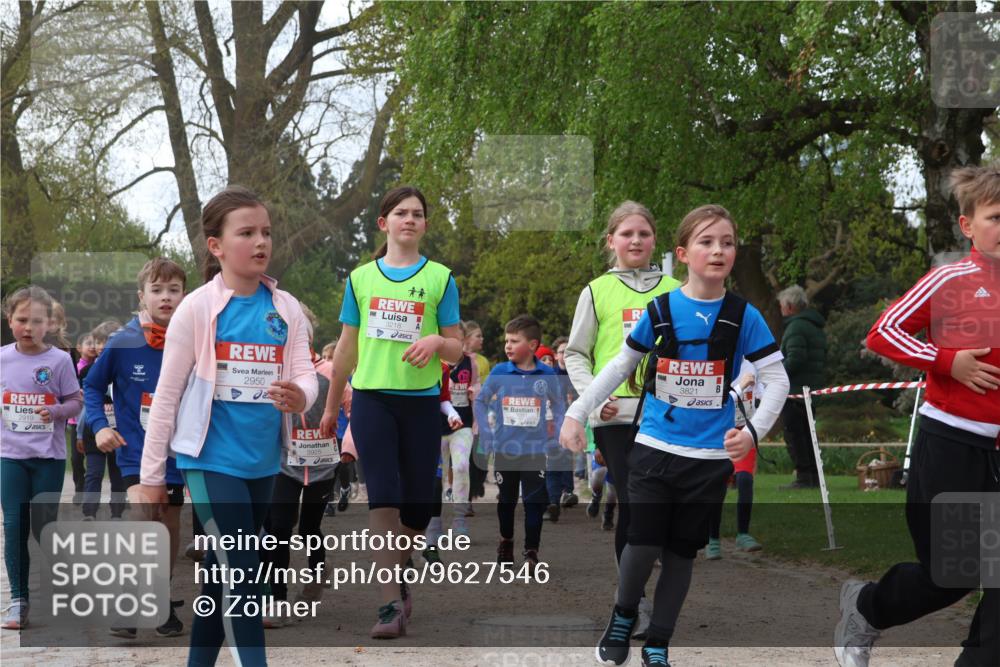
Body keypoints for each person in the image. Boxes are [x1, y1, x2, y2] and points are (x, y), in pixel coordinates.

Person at [560, 204, 789, 667]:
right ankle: (624, 613)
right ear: (683, 253)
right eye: (706, 242)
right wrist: (577, 413)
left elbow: (777, 378)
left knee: (682, 554)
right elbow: (620, 366)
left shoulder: (744, 316)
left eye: (727, 243)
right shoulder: (662, 308)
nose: (718, 251)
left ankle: (659, 642)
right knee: (643, 542)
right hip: (654, 446)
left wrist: (753, 432)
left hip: (708, 458)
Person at [136, 185, 318, 665]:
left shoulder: (286, 308)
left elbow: (305, 373)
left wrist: (302, 394)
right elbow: (167, 396)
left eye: (266, 232)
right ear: (216, 245)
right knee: (243, 569)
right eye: (247, 233)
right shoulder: (197, 308)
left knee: (221, 576)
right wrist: (151, 477)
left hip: (262, 463)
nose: (261, 242)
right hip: (210, 461)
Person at [835, 165, 1000, 667]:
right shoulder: (951, 280)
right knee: (954, 574)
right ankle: (866, 606)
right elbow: (882, 332)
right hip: (952, 444)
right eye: (996, 217)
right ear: (967, 226)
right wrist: (948, 361)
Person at [318, 185, 463, 639]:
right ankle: (388, 604)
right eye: (401, 213)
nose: (409, 219)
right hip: (371, 400)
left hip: (420, 404)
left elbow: (457, 348)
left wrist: (437, 342)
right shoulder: (360, 279)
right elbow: (346, 349)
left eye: (417, 213)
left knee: (418, 507)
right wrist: (331, 408)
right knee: (382, 496)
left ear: (425, 224)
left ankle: (399, 572)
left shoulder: (441, 278)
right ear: (384, 223)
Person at [564, 201, 682, 564]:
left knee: (660, 500)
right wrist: (595, 399)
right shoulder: (596, 290)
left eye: (643, 234)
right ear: (610, 240)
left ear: (654, 240)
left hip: (667, 414)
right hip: (615, 414)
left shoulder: (677, 289)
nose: (635, 240)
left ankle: (646, 569)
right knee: (633, 498)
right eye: (627, 233)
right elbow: (576, 354)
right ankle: (632, 591)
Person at [83, 257, 188, 638]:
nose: (166, 297)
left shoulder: (193, 338)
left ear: (185, 295)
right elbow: (93, 386)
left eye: (173, 290)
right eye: (156, 290)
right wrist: (99, 427)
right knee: (144, 517)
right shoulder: (123, 341)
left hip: (177, 453)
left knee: (169, 522)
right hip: (135, 450)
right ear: (141, 296)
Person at [1, 287, 82, 630]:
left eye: (36, 321)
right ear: (10, 320)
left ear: (49, 324)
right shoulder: (2, 358)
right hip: (10, 457)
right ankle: (18, 600)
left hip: (48, 458)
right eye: (22, 320)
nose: (28, 327)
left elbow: (76, 402)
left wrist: (56, 411)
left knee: (43, 527)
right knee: (14, 525)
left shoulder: (59, 361)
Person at [261, 304, 338, 629]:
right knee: (278, 529)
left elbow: (353, 406)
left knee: (309, 529)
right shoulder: (271, 370)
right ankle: (276, 601)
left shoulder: (330, 372)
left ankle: (317, 573)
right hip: (285, 464)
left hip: (322, 465)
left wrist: (349, 446)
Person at [474, 314, 566, 575]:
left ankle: (531, 551)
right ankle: (506, 542)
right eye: (507, 341)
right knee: (506, 500)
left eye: (514, 341)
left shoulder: (546, 374)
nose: (508, 346)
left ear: (533, 345)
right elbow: (480, 401)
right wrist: (486, 433)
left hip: (535, 450)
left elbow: (559, 404)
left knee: (534, 501)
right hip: (505, 449)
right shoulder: (500, 372)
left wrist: (558, 433)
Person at [706, 369, 763, 558]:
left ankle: (743, 534)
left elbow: (764, 394)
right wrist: (741, 386)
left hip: (744, 432)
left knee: (745, 479)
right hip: (719, 430)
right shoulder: (718, 362)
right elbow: (712, 399)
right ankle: (713, 539)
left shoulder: (754, 364)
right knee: (718, 485)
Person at [777, 284, 827, 489]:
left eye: (782, 305)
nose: (781, 309)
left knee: (795, 434)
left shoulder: (796, 327)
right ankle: (813, 475)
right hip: (811, 388)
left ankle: (804, 477)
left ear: (789, 306)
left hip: (796, 390)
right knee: (808, 435)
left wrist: (776, 375)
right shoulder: (815, 326)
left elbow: (796, 358)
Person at [79, 320, 126, 521]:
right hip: (93, 431)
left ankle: (117, 512)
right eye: (98, 342)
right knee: (94, 473)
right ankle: (89, 512)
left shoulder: (126, 371)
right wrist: (79, 434)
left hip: (119, 431)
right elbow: (86, 407)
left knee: (118, 474)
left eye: (107, 342)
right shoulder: (87, 372)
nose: (101, 346)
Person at [440, 324, 478, 531]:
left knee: (462, 466)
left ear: (464, 341)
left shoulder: (470, 362)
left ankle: (459, 519)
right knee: (437, 475)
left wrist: (475, 390)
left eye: (459, 340)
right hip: (435, 426)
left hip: (462, 423)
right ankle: (432, 523)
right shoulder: (433, 361)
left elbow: (477, 385)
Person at [538, 343, 576, 521]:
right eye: (543, 359)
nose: (547, 362)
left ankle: (553, 503)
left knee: (553, 468)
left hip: (554, 431)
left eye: (549, 359)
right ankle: (545, 502)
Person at [464, 320, 491, 504]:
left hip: (480, 416)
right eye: (478, 336)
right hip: (463, 415)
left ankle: (479, 481)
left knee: (482, 456)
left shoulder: (483, 361)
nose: (482, 339)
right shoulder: (457, 359)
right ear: (467, 338)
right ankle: (466, 497)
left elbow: (488, 388)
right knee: (466, 458)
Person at [69, 332, 97, 504]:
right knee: (76, 458)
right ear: (79, 348)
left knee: (97, 459)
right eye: (88, 343)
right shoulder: (74, 369)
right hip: (76, 420)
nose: (92, 346)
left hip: (96, 419)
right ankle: (79, 489)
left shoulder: (101, 366)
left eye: (95, 343)